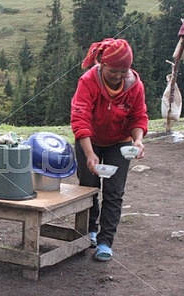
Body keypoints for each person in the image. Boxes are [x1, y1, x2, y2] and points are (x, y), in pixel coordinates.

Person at [70, 38, 149, 262]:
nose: (118, 76)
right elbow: (80, 118)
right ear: (102, 64)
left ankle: (105, 242)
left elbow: (138, 116)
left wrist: (138, 140)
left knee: (114, 192)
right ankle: (90, 231)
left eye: (123, 71)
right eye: (114, 70)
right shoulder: (87, 82)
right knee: (88, 189)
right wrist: (89, 153)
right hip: (89, 140)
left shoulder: (135, 86)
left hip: (120, 142)